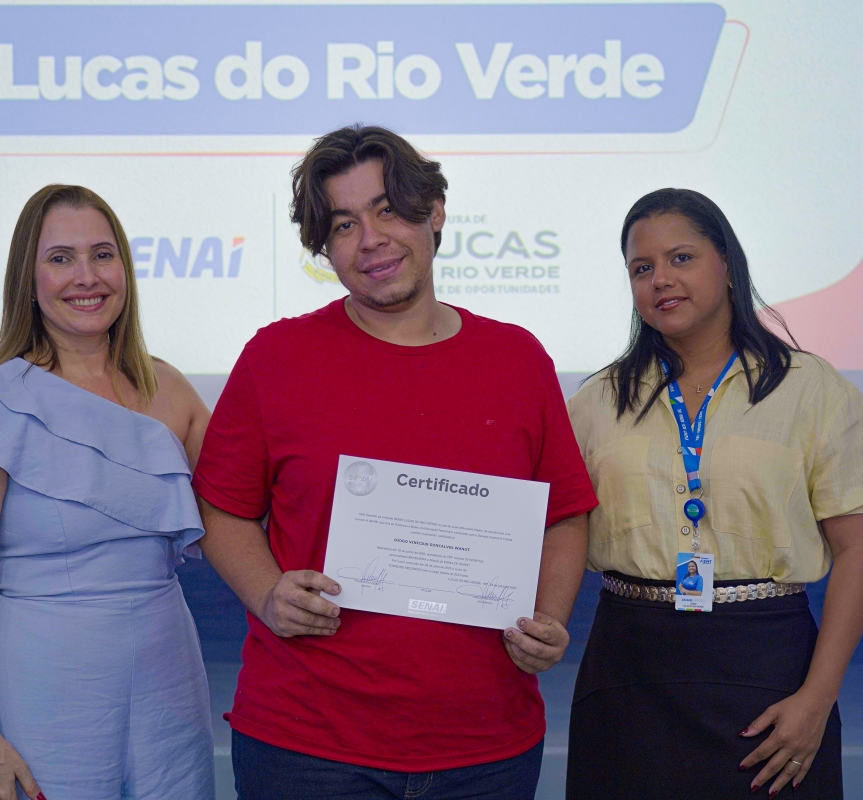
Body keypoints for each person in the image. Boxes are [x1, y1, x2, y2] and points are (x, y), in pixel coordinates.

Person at [192, 125, 599, 800]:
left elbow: (562, 515)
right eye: (344, 224)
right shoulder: (277, 357)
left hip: (485, 744)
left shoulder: (517, 359)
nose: (371, 239)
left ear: (434, 211)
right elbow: (220, 506)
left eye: (388, 210)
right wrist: (267, 593)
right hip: (307, 745)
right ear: (324, 247)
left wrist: (548, 620)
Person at [566, 188, 863, 799]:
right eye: (641, 268)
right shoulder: (596, 401)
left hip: (768, 671)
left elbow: (861, 550)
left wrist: (817, 698)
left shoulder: (812, 390)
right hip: (627, 671)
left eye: (681, 258)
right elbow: (554, 531)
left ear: (726, 263)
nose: (661, 280)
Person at [0, 185, 216, 800]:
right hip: (44, 687)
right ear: (27, 279)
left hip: (169, 675)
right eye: (61, 258)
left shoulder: (170, 390)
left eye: (102, 255)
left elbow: (241, 512)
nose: (87, 277)